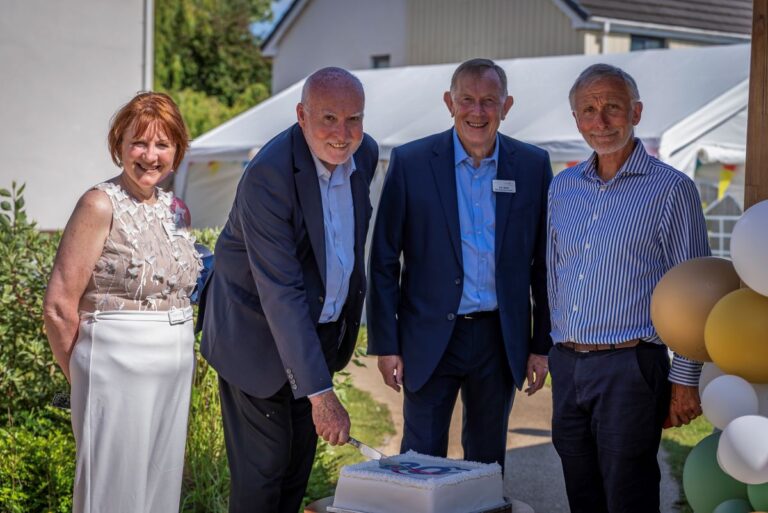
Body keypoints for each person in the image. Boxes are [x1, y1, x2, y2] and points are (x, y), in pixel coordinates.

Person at [198, 67, 378, 513]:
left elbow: (344, 246)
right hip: (253, 336)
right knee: (264, 478)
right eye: (329, 119)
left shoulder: (366, 154)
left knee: (296, 471)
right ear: (301, 115)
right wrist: (321, 395)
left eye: (353, 119)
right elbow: (280, 289)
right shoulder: (269, 174)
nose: (343, 134)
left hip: (310, 336)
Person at [366, 58, 552, 470]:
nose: (478, 111)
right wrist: (386, 343)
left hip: (498, 339)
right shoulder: (411, 163)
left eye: (489, 101)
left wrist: (541, 346)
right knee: (421, 460)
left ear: (507, 106)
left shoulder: (533, 165)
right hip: (428, 337)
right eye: (467, 99)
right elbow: (382, 259)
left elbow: (544, 263)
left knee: (486, 466)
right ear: (449, 103)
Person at [547, 63, 709, 513]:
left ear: (636, 111)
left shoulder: (672, 189)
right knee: (581, 493)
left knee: (628, 496)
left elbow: (695, 291)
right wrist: (549, 348)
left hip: (631, 368)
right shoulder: (562, 189)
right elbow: (554, 277)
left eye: (612, 107)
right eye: (588, 110)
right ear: (576, 119)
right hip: (568, 365)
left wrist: (685, 380)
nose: (600, 121)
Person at [43, 92, 200, 513]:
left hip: (174, 364)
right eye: (139, 143)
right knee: (112, 493)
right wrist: (84, 374)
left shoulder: (176, 209)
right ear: (119, 146)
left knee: (159, 489)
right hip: (115, 366)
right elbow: (59, 307)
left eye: (162, 144)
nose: (150, 155)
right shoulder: (98, 204)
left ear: (177, 151)